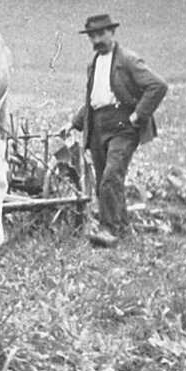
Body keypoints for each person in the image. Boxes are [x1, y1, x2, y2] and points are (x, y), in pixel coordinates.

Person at [64, 13, 168, 248]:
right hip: (98, 127)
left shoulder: (128, 60)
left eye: (101, 34)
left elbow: (158, 86)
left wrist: (137, 115)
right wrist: (73, 123)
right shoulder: (93, 64)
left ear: (112, 33)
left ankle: (108, 229)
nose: (97, 40)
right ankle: (122, 229)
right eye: (92, 36)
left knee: (111, 177)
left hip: (123, 127)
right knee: (105, 180)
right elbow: (93, 100)